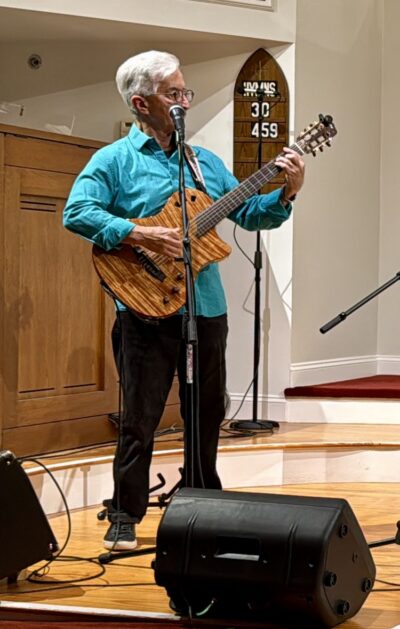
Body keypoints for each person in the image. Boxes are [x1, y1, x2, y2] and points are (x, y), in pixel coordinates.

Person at [63, 50, 305, 551]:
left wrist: (286, 194)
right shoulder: (114, 160)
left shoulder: (204, 163)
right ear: (141, 102)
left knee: (206, 412)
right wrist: (140, 235)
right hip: (143, 310)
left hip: (206, 308)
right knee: (140, 417)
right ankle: (125, 512)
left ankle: (202, 504)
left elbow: (250, 214)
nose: (184, 102)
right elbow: (77, 212)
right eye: (173, 94)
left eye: (185, 92)